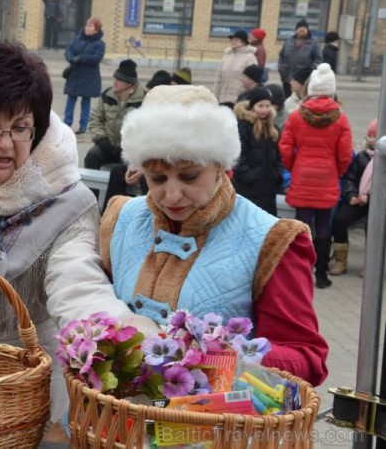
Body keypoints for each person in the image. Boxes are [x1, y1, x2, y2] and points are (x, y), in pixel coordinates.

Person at [0, 42, 148, 433]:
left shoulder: (66, 202)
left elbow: (79, 285)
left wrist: (129, 342)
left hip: (24, 400)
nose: (7, 143)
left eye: (20, 127)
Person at [100, 84, 328, 386]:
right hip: (117, 425)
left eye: (189, 176)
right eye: (156, 178)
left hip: (213, 426)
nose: (171, 195)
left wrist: (215, 356)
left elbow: (307, 359)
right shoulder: (122, 217)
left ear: (220, 164)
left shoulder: (272, 240)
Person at [279, 63, 352, 289]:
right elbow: (345, 153)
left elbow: (285, 147)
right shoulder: (340, 117)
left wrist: (294, 167)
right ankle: (321, 274)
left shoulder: (297, 115)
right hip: (327, 177)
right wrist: (336, 171)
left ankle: (300, 273)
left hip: (302, 176)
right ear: (331, 90)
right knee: (323, 228)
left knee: (302, 227)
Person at [102, 69, 173, 210]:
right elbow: (138, 141)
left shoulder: (173, 116)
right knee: (117, 172)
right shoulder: (149, 113)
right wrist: (134, 163)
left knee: (151, 178)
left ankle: (151, 218)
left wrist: (145, 168)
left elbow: (170, 151)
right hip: (144, 163)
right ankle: (110, 216)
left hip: (163, 166)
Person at [329, 119, 378, 276]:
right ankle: (340, 261)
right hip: (359, 198)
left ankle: (371, 265)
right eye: (369, 136)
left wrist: (370, 198)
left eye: (375, 136)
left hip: (378, 203)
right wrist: (351, 195)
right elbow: (350, 178)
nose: (371, 140)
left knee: (374, 228)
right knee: (339, 220)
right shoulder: (361, 157)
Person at [232, 87, 283, 216]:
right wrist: (251, 176)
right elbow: (239, 157)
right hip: (248, 188)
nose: (264, 110)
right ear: (253, 106)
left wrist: (276, 175)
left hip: (268, 188)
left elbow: (278, 157)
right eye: (260, 106)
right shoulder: (243, 127)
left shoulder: (273, 128)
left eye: (267, 106)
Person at [84, 59, 143, 169]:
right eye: (115, 78)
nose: (114, 82)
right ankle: (91, 187)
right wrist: (102, 141)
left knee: (122, 169)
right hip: (107, 145)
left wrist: (128, 147)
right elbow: (95, 119)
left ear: (129, 83)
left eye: (119, 80)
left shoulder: (143, 99)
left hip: (130, 150)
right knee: (92, 156)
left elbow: (145, 129)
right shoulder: (107, 95)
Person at [64, 17, 105, 135]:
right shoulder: (77, 39)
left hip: (89, 76)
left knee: (86, 101)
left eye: (90, 26)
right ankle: (67, 124)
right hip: (75, 73)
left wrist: (81, 58)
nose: (87, 28)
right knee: (71, 99)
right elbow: (68, 50)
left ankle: (83, 126)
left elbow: (97, 58)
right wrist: (70, 58)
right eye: (87, 25)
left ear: (96, 30)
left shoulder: (99, 44)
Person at [278, 18, 322, 98]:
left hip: (303, 81)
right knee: (287, 101)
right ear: (296, 30)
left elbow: (318, 60)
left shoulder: (313, 43)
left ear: (307, 29)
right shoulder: (289, 41)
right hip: (288, 78)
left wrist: (310, 70)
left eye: (304, 27)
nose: (302, 29)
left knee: (301, 101)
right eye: (300, 27)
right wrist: (281, 68)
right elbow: (281, 55)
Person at [213, 29, 257, 108]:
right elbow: (218, 78)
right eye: (232, 40)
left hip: (239, 101)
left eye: (236, 40)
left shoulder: (250, 57)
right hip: (222, 99)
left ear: (243, 42)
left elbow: (251, 81)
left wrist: (244, 97)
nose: (233, 42)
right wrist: (214, 97)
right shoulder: (226, 56)